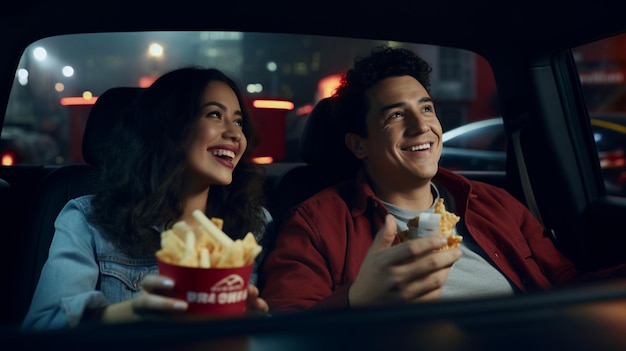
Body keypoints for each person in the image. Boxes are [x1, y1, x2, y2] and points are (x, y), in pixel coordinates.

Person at [258, 46, 626, 312]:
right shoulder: (314, 225)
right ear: (358, 145)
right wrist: (357, 300)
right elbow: (284, 325)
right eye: (396, 116)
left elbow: (563, 281)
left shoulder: (493, 203)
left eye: (427, 108)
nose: (423, 127)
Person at [22, 67, 272, 331]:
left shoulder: (256, 225)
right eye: (214, 114)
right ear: (170, 126)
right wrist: (130, 314)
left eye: (238, 121)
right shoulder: (87, 220)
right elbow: (42, 326)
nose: (235, 134)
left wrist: (258, 326)